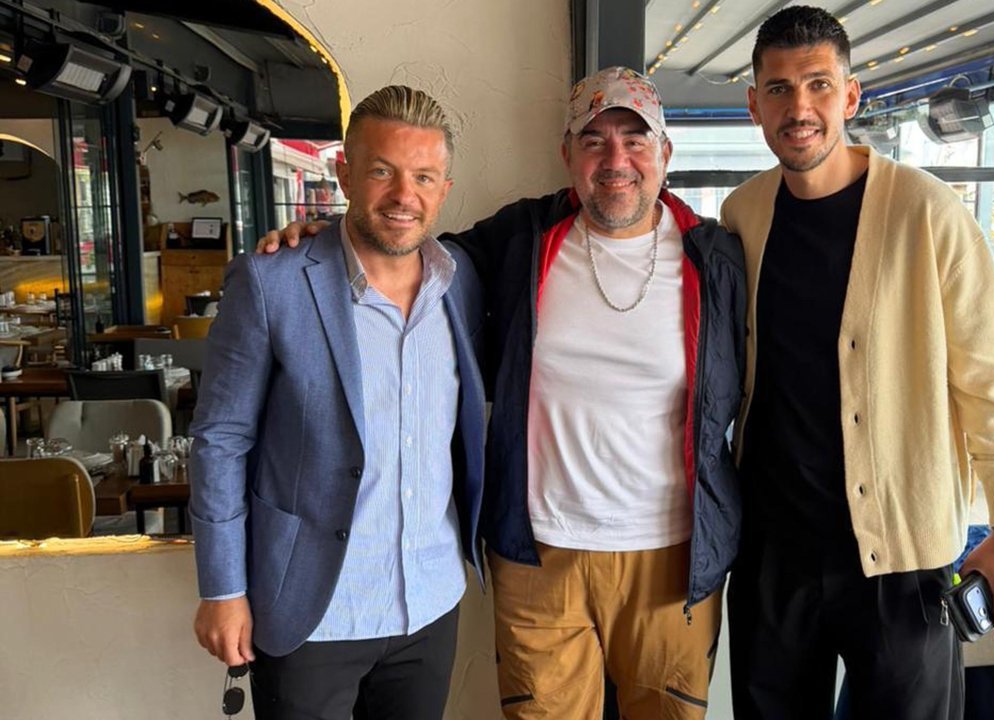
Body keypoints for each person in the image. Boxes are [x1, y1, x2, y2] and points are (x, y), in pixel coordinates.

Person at [258, 67, 747, 719]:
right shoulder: (520, 240)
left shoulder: (717, 259)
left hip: (674, 557)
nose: (615, 160)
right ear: (567, 153)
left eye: (635, 140)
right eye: (594, 140)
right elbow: (404, 250)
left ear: (665, 153)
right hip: (537, 554)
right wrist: (323, 239)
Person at [717, 7, 994, 718]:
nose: (799, 108)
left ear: (851, 96)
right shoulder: (743, 214)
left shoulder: (929, 212)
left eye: (819, 85)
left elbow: (990, 383)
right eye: (778, 89)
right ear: (754, 105)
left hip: (901, 558)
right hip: (774, 556)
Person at [190, 86, 487, 720]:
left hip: (429, 602)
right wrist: (223, 588)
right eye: (382, 171)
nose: (403, 195)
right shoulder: (272, 281)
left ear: (444, 189)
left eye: (423, 177)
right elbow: (220, 439)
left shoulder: (459, 283)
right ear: (346, 175)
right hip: (313, 609)